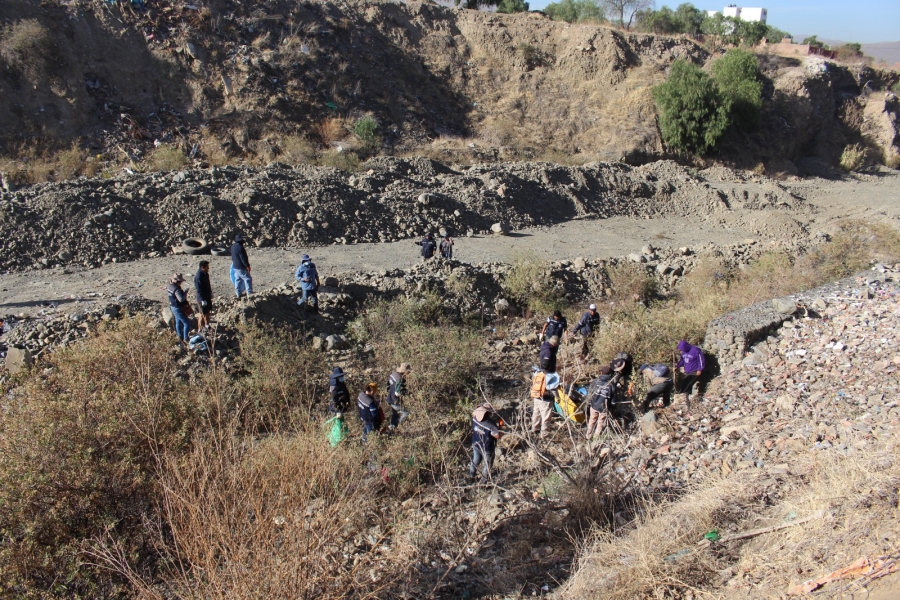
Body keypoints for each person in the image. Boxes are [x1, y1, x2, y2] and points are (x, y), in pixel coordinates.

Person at [469, 401, 502, 482]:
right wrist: (500, 426)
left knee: (475, 460)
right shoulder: (490, 425)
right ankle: (484, 481)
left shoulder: (475, 419)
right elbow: (498, 436)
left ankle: (471, 476)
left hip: (476, 444)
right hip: (487, 448)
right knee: (487, 465)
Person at [585, 366, 614, 439]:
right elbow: (613, 401)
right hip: (604, 408)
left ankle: (588, 436)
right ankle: (595, 439)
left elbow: (589, 393)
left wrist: (588, 403)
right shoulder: (611, 385)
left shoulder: (595, 382)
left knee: (591, 421)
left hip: (594, 405)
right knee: (600, 423)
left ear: (602, 373)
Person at [530, 370, 559, 439]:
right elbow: (553, 389)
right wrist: (558, 398)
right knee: (546, 417)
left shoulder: (538, 373)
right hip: (545, 400)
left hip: (536, 397)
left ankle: (534, 428)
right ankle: (544, 435)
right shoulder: (550, 375)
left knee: (536, 414)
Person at [166, 273, 192, 342]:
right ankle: (186, 338)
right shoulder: (176, 289)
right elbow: (181, 299)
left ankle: (179, 336)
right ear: (179, 281)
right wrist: (185, 293)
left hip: (173, 307)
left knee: (178, 322)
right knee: (186, 323)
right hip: (178, 308)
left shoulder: (170, 286)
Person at [386, 363, 411, 430]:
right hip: (395, 400)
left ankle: (391, 428)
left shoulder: (393, 374)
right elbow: (397, 393)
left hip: (390, 398)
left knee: (395, 414)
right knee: (406, 413)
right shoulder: (399, 378)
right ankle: (395, 426)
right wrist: (407, 392)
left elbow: (388, 386)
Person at [231, 234, 253, 298]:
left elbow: (233, 257)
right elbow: (243, 259)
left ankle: (238, 294)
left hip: (235, 266)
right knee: (247, 278)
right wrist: (247, 265)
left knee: (238, 279)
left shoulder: (233, 247)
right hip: (241, 267)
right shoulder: (240, 248)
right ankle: (249, 293)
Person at [193, 260, 213, 330]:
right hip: (202, 298)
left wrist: (210, 293)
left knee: (207, 312)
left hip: (207, 296)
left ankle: (207, 325)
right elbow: (199, 289)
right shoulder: (198, 276)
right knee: (202, 314)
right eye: (207, 267)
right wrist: (202, 300)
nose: (208, 268)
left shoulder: (205, 274)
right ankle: (199, 329)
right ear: (202, 267)